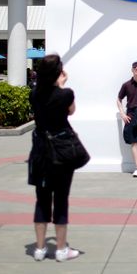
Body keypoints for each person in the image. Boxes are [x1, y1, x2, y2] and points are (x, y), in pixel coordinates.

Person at [29, 54, 80, 262]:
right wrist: (61, 86)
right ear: (58, 73)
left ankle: (40, 249)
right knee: (60, 200)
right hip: (60, 153)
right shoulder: (65, 94)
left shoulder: (34, 94)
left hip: (40, 152)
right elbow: (71, 111)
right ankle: (60, 249)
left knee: (41, 201)